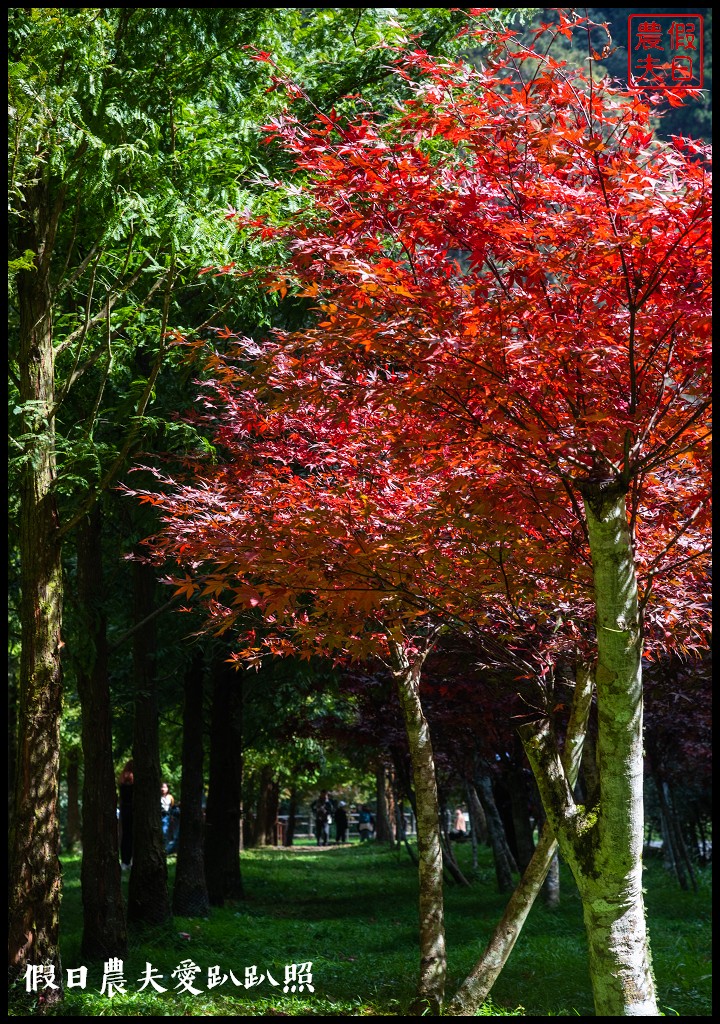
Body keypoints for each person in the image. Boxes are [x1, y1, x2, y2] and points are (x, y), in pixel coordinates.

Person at [118, 760, 134, 870]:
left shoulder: (122, 779)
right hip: (133, 809)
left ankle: (125, 861)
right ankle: (130, 860)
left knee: (126, 836)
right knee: (133, 835)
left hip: (125, 809)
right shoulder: (134, 779)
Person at [160, 782, 175, 850]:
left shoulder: (170, 797)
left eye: (165, 787)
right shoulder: (157, 797)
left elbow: (172, 807)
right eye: (162, 787)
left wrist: (171, 816)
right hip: (159, 815)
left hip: (166, 817)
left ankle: (164, 848)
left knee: (165, 832)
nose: (163, 789)